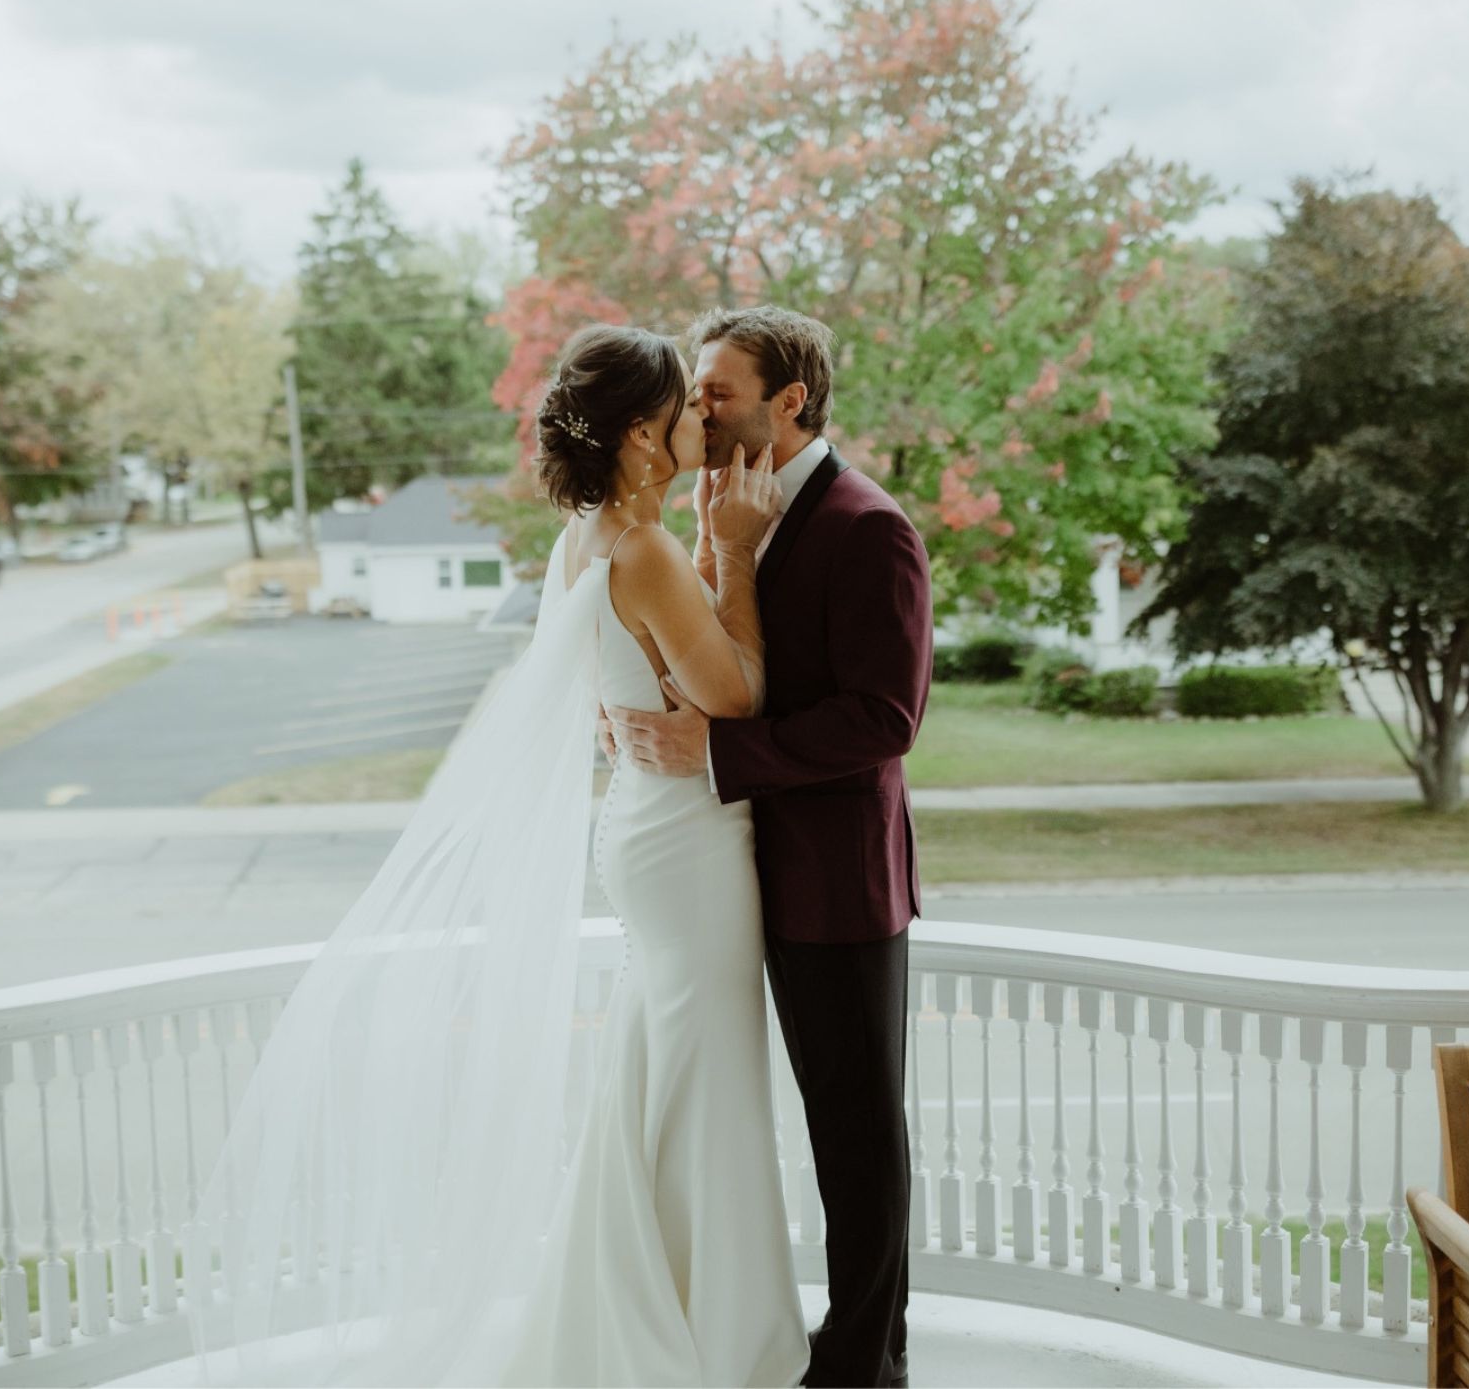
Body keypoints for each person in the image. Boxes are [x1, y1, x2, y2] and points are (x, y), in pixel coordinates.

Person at [188, 323, 814, 1387]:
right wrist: (740, 555)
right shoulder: (646, 550)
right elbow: (735, 695)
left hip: (644, 827)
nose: (696, 420)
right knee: (707, 1085)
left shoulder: (584, 539)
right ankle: (719, 1337)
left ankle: (661, 1305)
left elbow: (627, 679)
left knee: (659, 1077)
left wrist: (699, 577)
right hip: (687, 842)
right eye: (681, 408)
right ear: (636, 435)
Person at [609, 306, 933, 1389]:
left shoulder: (865, 523)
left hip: (833, 881)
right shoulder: (718, 505)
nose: (696, 409)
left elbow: (884, 719)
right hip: (724, 871)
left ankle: (861, 1365)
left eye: (716, 391)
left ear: (788, 401)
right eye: (695, 391)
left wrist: (718, 757)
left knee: (854, 1136)